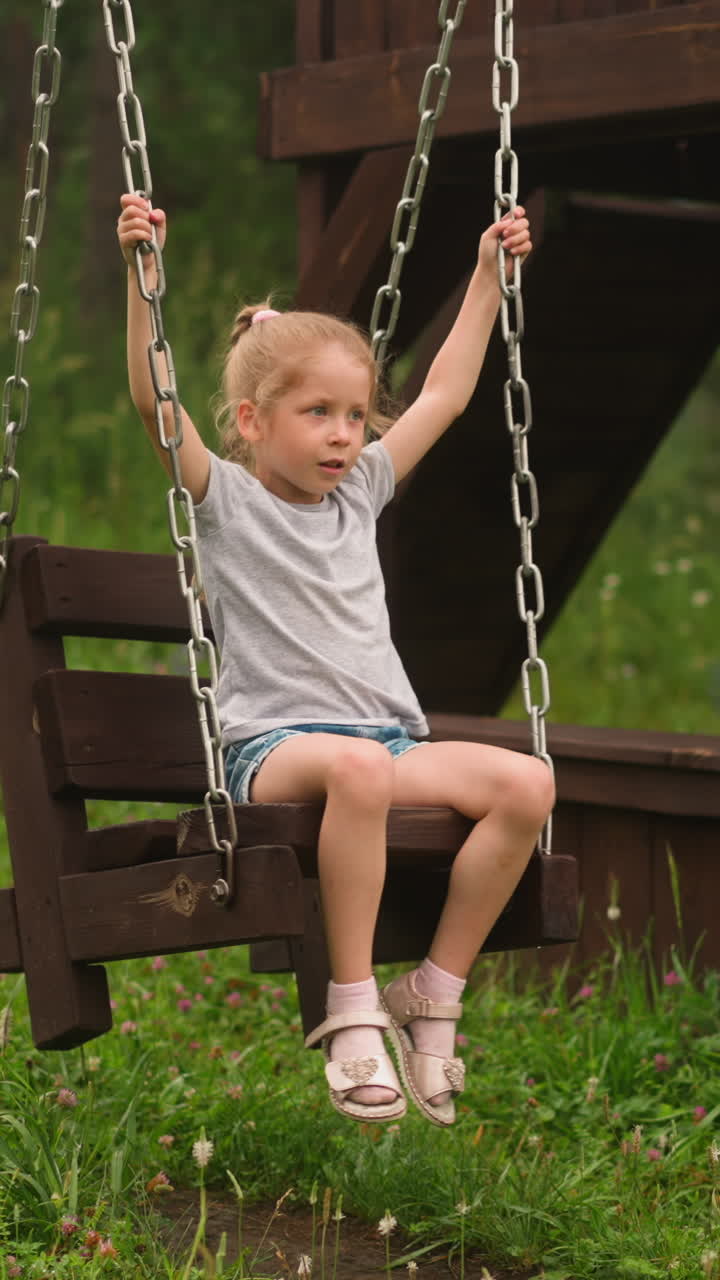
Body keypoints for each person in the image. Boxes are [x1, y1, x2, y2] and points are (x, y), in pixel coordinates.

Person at [117, 192, 553, 1127]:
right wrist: (143, 282)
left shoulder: (362, 495)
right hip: (275, 751)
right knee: (355, 768)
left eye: (356, 415)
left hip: (383, 745)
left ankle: (432, 997)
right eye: (319, 412)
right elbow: (157, 403)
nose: (344, 434)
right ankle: (352, 1011)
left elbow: (444, 393)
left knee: (527, 786)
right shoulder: (226, 502)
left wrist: (485, 279)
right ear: (251, 420)